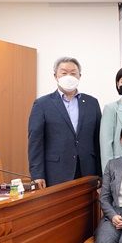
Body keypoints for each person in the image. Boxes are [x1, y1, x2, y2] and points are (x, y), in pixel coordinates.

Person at [28, 56, 101, 188]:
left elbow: (97, 140)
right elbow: (35, 142)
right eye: (64, 73)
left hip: (87, 171)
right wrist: (37, 174)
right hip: (56, 172)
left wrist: (100, 173)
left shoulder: (92, 103)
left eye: (73, 73)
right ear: (55, 76)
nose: (69, 76)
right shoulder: (42, 104)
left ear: (79, 76)